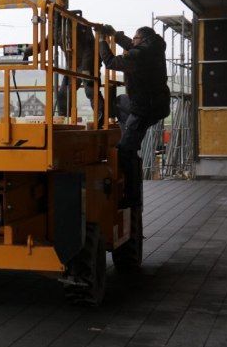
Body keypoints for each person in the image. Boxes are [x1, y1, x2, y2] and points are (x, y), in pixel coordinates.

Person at [98, 25, 170, 207]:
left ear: (141, 39)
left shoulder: (139, 56)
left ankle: (132, 196)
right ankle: (129, 133)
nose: (133, 41)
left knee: (125, 151)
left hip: (144, 108)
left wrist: (101, 40)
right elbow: (132, 45)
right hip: (157, 104)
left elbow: (111, 62)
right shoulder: (154, 47)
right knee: (120, 101)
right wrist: (115, 35)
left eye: (135, 38)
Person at [56, 19, 104, 125]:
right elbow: (45, 42)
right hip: (73, 65)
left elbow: (89, 48)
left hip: (89, 62)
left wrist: (86, 70)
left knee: (90, 90)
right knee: (63, 94)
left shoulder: (79, 25)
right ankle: (65, 120)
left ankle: (101, 116)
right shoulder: (57, 28)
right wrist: (28, 52)